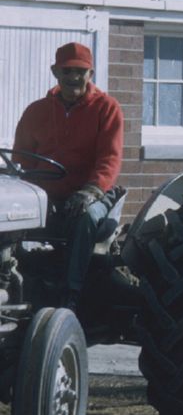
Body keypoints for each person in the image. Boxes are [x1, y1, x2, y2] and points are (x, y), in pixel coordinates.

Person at [13, 42, 124, 312]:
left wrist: (89, 191)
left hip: (93, 191)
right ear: (55, 71)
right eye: (67, 71)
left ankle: (71, 293)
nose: (73, 77)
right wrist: (33, 192)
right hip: (46, 191)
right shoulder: (36, 111)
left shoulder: (106, 108)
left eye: (80, 71)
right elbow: (22, 158)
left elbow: (109, 159)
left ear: (91, 74)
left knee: (86, 217)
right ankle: (17, 280)